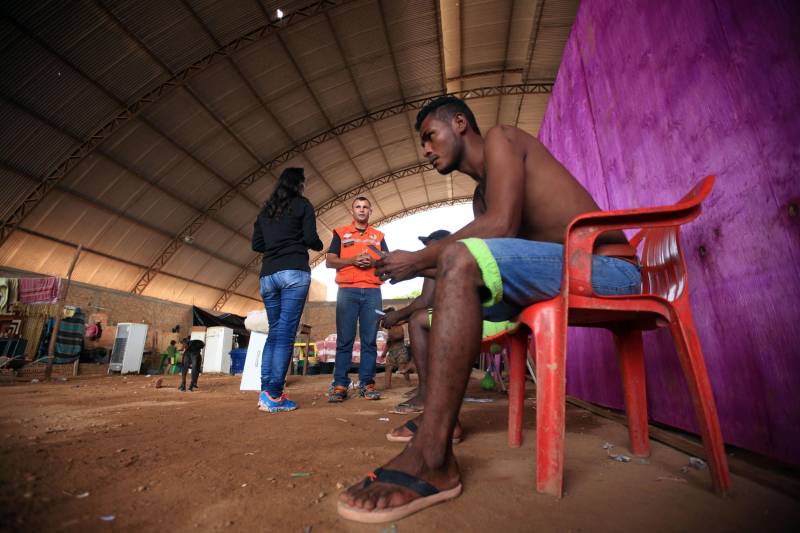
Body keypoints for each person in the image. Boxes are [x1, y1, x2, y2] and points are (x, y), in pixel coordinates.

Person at [337, 96, 642, 522]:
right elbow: (495, 236)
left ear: (460, 123)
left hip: (609, 268)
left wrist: (417, 259)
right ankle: (441, 421)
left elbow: (500, 227)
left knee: (460, 260)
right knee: (435, 306)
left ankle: (431, 453)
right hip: (558, 274)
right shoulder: (481, 197)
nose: (425, 150)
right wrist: (423, 272)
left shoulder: (501, 139)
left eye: (430, 136)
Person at [252, 167, 323, 413]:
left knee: (274, 332)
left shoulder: (265, 211)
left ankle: (265, 390)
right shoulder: (303, 205)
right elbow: (311, 237)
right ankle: (274, 394)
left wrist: (276, 242)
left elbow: (257, 244)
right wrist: (314, 243)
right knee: (285, 334)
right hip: (293, 271)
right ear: (299, 185)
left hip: (268, 275)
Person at [379, 229, 450, 413]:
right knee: (418, 317)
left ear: (440, 243)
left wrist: (397, 315)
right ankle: (425, 388)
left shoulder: (444, 258)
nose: (425, 251)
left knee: (418, 320)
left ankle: (427, 393)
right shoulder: (443, 261)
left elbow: (426, 300)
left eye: (429, 246)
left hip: (461, 319)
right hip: (457, 314)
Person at [326, 197, 388, 402]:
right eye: (358, 207)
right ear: (352, 211)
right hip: (347, 291)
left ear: (370, 211)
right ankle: (340, 385)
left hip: (372, 292)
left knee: (370, 340)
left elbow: (388, 261)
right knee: (345, 340)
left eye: (365, 207)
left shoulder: (378, 236)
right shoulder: (341, 233)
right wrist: (353, 260)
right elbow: (330, 261)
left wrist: (375, 261)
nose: (361, 210)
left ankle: (367, 384)